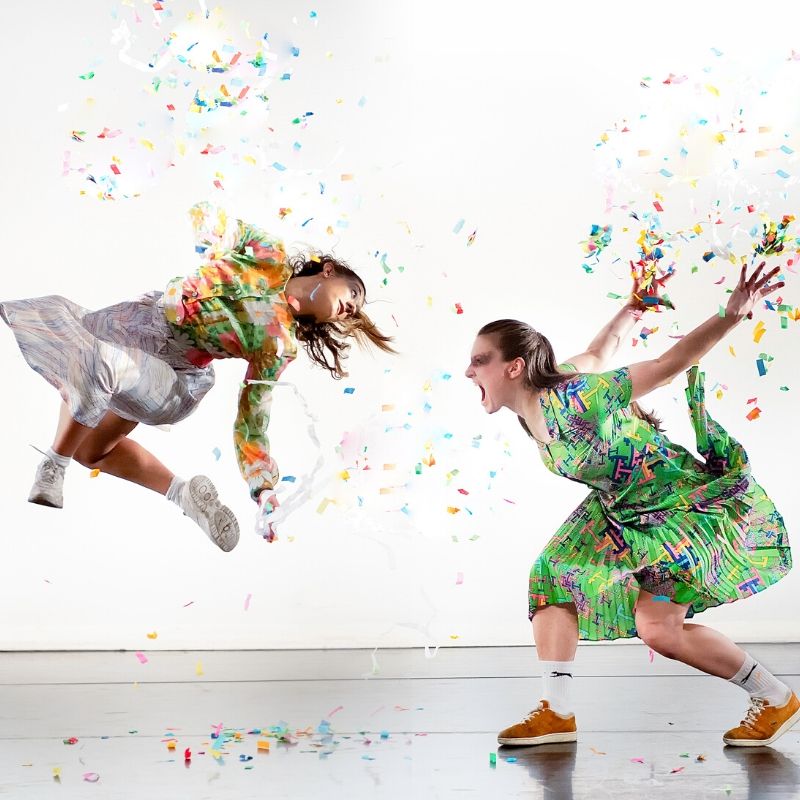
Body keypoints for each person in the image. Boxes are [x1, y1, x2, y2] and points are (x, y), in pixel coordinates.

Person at [465, 262, 796, 747]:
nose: (469, 371)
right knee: (552, 575)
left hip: (676, 508)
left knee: (659, 630)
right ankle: (556, 712)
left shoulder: (573, 397)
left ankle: (774, 697)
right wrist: (632, 309)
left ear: (513, 367)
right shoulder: (540, 401)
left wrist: (731, 316)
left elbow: (663, 368)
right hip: (620, 511)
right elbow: (600, 351)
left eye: (480, 360)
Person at [1, 202, 394, 551]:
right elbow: (209, 216)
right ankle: (183, 494)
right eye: (353, 296)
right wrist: (215, 241)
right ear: (329, 271)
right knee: (91, 451)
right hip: (135, 326)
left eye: (354, 312)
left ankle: (53, 466)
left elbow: (253, 419)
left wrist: (263, 488)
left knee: (99, 364)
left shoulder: (280, 344)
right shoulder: (268, 254)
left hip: (172, 376)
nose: (352, 310)